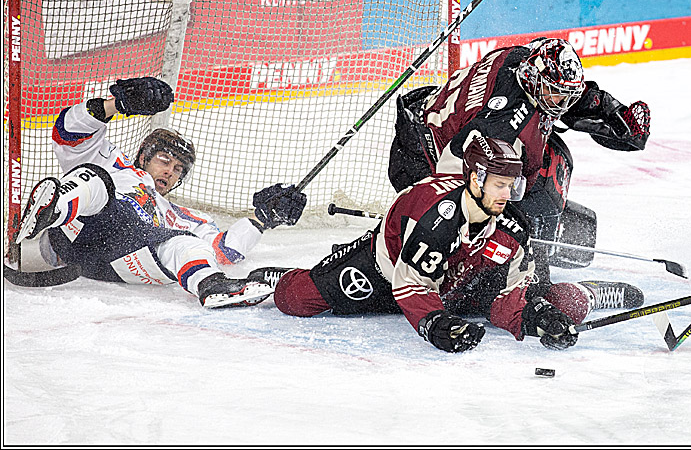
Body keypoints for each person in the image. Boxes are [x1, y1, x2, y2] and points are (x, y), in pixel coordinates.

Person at [272, 135, 634, 352]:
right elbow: (410, 285)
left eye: (513, 185)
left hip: (460, 285)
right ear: (475, 180)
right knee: (294, 298)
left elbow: (507, 299)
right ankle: (273, 278)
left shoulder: (510, 228)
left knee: (563, 305)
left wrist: (537, 318)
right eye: (500, 184)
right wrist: (436, 324)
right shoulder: (438, 217)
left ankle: (592, 292)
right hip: (386, 273)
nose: (509, 195)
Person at [388, 36, 650, 305]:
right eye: (555, 94)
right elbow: (455, 178)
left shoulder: (522, 59)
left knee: (547, 162)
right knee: (483, 286)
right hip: (423, 164)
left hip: (430, 125)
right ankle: (573, 292)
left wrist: (610, 109)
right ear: (533, 80)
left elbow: (563, 88)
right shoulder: (501, 125)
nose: (562, 103)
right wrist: (502, 232)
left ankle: (533, 248)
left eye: (565, 94)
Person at [16, 76, 306, 308]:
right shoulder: (114, 163)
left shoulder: (178, 215)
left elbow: (225, 249)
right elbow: (66, 134)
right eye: (164, 160)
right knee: (94, 180)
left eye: (178, 169)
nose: (170, 171)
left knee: (186, 242)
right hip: (73, 233)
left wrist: (263, 218)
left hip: (117, 258)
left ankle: (211, 287)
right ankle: (53, 209)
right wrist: (113, 106)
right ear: (144, 155)